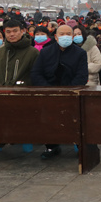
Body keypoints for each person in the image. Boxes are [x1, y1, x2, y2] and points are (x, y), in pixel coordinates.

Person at [31, 24, 88, 159]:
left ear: (73, 37)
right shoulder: (46, 52)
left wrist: (68, 91)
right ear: (56, 37)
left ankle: (80, 147)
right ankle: (51, 146)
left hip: (71, 94)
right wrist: (48, 89)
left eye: (68, 34)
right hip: (49, 93)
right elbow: (36, 73)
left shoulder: (80, 53)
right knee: (49, 121)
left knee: (75, 121)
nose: (65, 37)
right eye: (62, 34)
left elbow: (82, 76)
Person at [0, 20, 39, 86]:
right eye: (8, 32)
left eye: (15, 31)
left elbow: (37, 74)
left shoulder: (33, 52)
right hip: (1, 90)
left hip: (23, 91)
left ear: (22, 31)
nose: (12, 34)